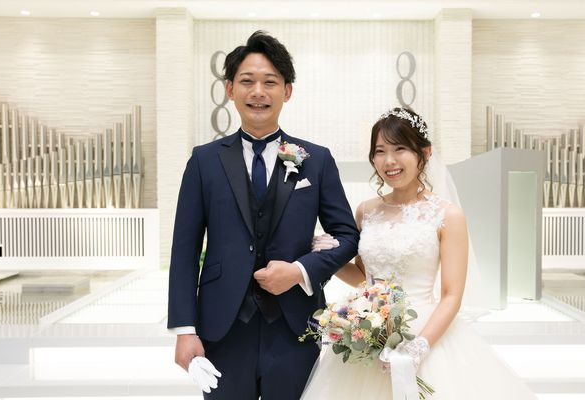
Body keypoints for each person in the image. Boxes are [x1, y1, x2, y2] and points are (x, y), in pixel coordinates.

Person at [167, 31, 359, 400]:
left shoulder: (316, 160)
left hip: (295, 327)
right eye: (247, 81)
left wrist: (300, 271)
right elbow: (184, 250)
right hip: (221, 328)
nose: (258, 92)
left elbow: (347, 236)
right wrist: (185, 329)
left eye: (270, 82)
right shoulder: (204, 161)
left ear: (287, 91)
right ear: (230, 89)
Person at [302, 108, 537, 399]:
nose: (389, 160)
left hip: (425, 331)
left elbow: (452, 295)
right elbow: (363, 277)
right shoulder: (366, 211)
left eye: (400, 149)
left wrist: (419, 346)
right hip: (370, 331)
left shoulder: (447, 215)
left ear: (424, 153)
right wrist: (330, 258)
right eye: (380, 151)